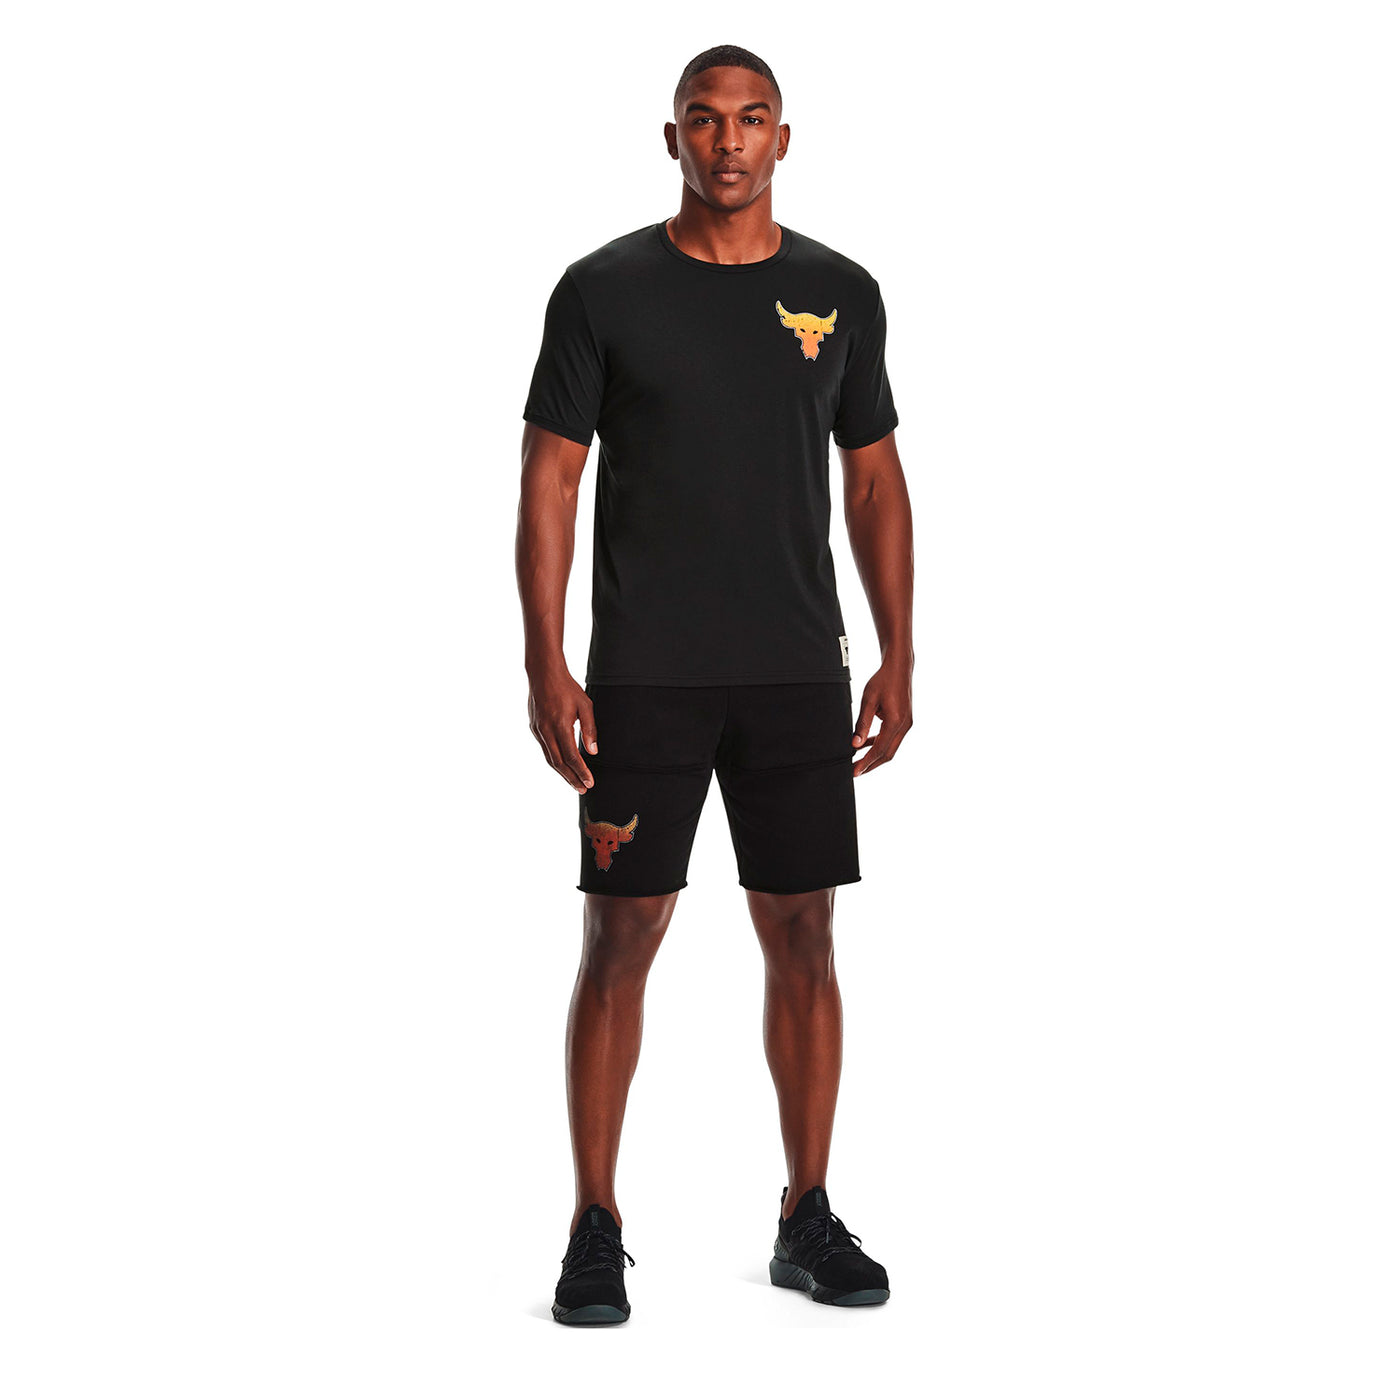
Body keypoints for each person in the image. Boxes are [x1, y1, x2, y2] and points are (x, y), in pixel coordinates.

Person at [516, 44, 914, 1325]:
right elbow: (550, 476)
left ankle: (807, 1213)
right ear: (671, 137)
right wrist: (544, 656)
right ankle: (592, 1224)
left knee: (804, 933)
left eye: (750, 119)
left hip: (796, 669)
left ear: (782, 140)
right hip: (646, 673)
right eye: (703, 119)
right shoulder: (601, 290)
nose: (726, 140)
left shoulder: (840, 292)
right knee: (620, 934)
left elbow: (871, 478)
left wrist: (900, 647)